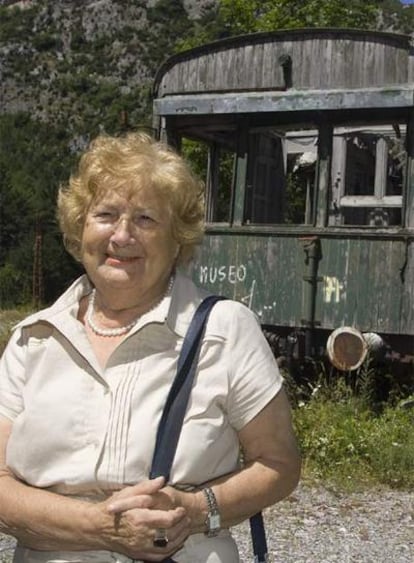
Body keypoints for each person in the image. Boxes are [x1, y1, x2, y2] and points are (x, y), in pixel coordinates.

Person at [0, 132, 301, 563]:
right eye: (105, 215)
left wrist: (197, 511)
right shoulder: (34, 339)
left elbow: (279, 464)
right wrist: (101, 528)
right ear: (79, 229)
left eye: (145, 219)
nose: (122, 236)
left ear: (177, 240)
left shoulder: (225, 329)